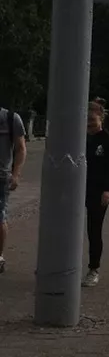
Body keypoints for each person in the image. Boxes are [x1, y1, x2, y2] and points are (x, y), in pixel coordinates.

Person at [83, 98, 109, 287]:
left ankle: (93, 269)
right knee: (65, 227)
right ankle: (61, 263)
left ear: (101, 119)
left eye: (92, 119)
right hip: (75, 189)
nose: (89, 123)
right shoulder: (79, 138)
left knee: (94, 230)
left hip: (97, 192)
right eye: (86, 119)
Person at [0, 106, 27, 274]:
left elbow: (21, 148)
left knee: (0, 215)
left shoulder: (10, 118)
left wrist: (16, 174)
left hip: (1, 176)